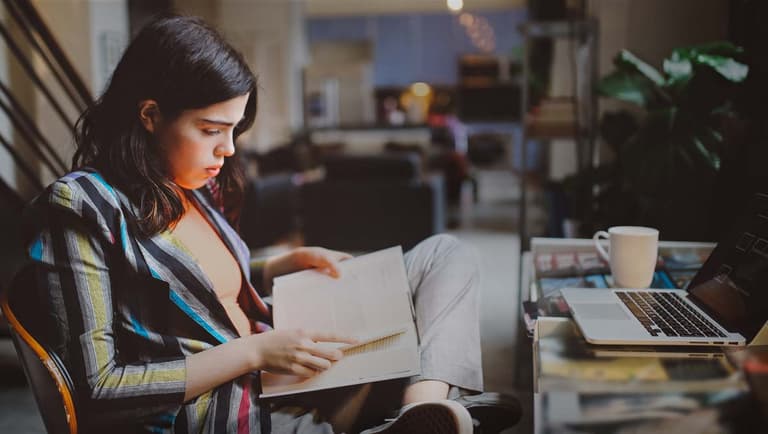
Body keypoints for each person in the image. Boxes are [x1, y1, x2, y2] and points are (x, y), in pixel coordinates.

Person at [22, 15, 519, 434]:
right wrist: (255, 351)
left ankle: (420, 408)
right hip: (233, 406)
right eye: (212, 130)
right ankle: (410, 410)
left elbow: (186, 285)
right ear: (150, 115)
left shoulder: (184, 181)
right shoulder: (81, 206)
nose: (229, 148)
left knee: (443, 256)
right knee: (408, 331)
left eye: (234, 129)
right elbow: (99, 389)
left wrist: (279, 263)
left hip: (277, 360)